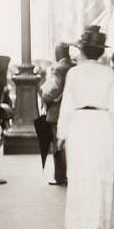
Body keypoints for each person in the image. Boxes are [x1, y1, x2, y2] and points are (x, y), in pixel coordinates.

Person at [58, 25, 114, 229]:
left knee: (80, 173)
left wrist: (61, 133)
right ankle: (98, 222)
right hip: (103, 124)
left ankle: (84, 223)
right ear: (101, 52)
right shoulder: (110, 74)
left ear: (83, 50)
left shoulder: (73, 73)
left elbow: (66, 105)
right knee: (101, 173)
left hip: (79, 124)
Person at [40, 41, 74, 186]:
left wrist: (44, 97)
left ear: (59, 53)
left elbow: (54, 89)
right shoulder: (74, 67)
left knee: (57, 145)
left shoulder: (59, 69)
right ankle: (72, 174)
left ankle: (60, 177)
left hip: (57, 112)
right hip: (73, 111)